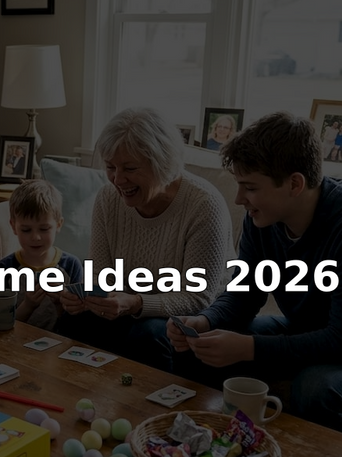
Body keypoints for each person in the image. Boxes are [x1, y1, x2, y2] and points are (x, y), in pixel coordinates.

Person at [167, 111, 342, 434]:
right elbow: (244, 295)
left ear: (295, 184)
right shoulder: (261, 220)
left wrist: (248, 347)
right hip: (313, 327)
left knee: (316, 387)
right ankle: (209, 451)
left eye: (250, 187)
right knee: (196, 351)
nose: (240, 199)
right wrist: (206, 321)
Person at [56, 107, 234, 371]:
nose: (117, 179)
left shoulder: (204, 205)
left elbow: (198, 297)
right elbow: (102, 279)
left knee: (148, 333)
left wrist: (136, 302)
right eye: (110, 167)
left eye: (129, 168)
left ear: (162, 164)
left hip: (193, 316)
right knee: (72, 322)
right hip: (129, 308)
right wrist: (85, 298)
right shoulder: (108, 199)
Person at [0, 180, 83, 330]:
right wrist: (28, 305)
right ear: (13, 226)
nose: (35, 237)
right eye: (26, 230)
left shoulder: (71, 265)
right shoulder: (5, 268)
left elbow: (77, 326)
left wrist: (59, 303)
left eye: (43, 229)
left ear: (59, 225)